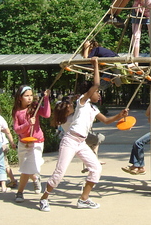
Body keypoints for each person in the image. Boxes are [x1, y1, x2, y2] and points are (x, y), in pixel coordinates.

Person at [39, 57, 129, 212]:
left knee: (96, 168)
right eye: (97, 93)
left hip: (81, 142)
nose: (99, 94)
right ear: (90, 93)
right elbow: (96, 84)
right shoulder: (82, 101)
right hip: (70, 140)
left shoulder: (94, 109)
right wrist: (95, 65)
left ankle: (84, 199)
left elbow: (107, 121)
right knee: (60, 173)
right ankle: (44, 198)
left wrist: (119, 116)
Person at [12, 85, 51, 203]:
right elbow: (17, 129)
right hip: (23, 142)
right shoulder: (17, 111)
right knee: (25, 166)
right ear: (20, 98)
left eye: (31, 95)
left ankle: (19, 192)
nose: (29, 98)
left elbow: (47, 114)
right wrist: (28, 124)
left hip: (36, 141)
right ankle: (35, 177)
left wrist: (46, 99)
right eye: (26, 96)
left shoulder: (35, 107)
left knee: (26, 168)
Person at [122, 106, 150, 175]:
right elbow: (147, 114)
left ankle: (139, 166)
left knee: (138, 143)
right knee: (137, 143)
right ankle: (138, 167)